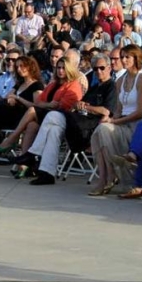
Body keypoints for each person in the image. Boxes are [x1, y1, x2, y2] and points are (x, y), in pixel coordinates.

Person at [26, 54, 116, 185]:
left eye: (102, 68)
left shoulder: (111, 86)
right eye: (95, 69)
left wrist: (88, 107)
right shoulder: (94, 87)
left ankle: (33, 152)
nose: (98, 71)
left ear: (109, 68)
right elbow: (78, 105)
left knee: (52, 116)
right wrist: (78, 105)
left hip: (88, 127)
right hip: (77, 121)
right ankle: (47, 174)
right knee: (53, 131)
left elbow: (107, 111)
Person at [0, 57, 84, 176]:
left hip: (60, 118)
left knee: (31, 110)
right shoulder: (52, 85)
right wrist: (49, 104)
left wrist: (48, 105)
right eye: (59, 68)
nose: (60, 71)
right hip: (46, 114)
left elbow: (63, 106)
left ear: (69, 70)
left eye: (63, 68)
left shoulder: (73, 85)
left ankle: (12, 138)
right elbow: (39, 102)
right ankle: (24, 165)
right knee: (31, 125)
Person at [89, 44, 142, 196]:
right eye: (122, 57)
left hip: (138, 125)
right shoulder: (120, 81)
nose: (124, 60)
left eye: (128, 57)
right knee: (100, 130)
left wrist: (114, 122)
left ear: (136, 58)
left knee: (103, 130)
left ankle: (108, 178)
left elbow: (140, 113)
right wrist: (110, 118)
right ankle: (106, 177)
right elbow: (118, 111)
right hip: (122, 122)